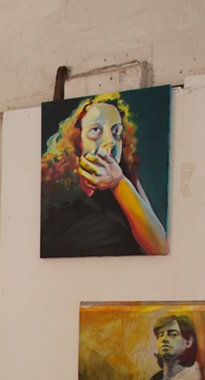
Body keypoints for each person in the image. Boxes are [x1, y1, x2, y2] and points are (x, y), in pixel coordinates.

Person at [40, 93, 168, 258]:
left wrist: (119, 183)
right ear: (76, 141)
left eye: (116, 131)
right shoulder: (53, 192)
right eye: (96, 130)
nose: (111, 141)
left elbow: (159, 247)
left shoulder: (125, 181)